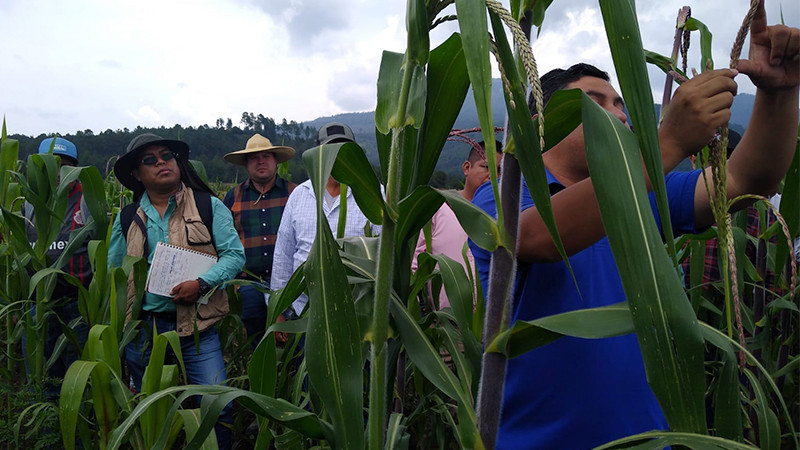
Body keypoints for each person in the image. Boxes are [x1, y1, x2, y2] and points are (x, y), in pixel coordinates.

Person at [469, 3, 799, 447]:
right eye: (596, 103)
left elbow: (745, 180)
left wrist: (778, 93)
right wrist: (670, 140)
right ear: (541, 124)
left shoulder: (643, 200)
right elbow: (540, 237)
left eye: (621, 105)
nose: (620, 115)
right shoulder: (503, 196)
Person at [108, 133, 245, 449]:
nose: (161, 163)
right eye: (150, 160)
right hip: (145, 331)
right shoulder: (128, 217)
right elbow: (116, 272)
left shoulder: (208, 206)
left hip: (198, 330)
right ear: (136, 174)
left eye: (167, 155)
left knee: (217, 404)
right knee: (150, 406)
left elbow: (235, 255)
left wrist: (202, 283)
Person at [271, 122, 381, 316]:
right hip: (304, 310)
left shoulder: (374, 193)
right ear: (319, 154)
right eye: (330, 149)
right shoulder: (300, 194)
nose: (337, 155)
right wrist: (278, 309)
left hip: (359, 311)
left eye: (345, 149)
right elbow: (283, 253)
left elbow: (385, 253)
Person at [22, 137, 92, 394]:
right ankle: (44, 430)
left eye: (64, 166)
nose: (57, 172)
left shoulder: (88, 199)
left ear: (75, 168)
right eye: (49, 165)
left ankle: (77, 429)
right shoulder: (27, 202)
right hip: (39, 304)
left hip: (77, 303)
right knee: (40, 376)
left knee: (77, 377)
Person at [222, 134, 296, 347]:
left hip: (289, 282)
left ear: (276, 162)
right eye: (254, 158)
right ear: (246, 164)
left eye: (266, 156)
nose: (261, 161)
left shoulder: (295, 193)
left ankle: (291, 377)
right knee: (256, 340)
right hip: (248, 283)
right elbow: (224, 240)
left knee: (292, 339)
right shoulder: (233, 196)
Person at [412, 139, 502, 309]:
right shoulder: (439, 208)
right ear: (467, 168)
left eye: (500, 170)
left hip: (490, 326)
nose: (493, 175)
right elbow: (415, 265)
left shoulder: (503, 216)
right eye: (486, 166)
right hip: (443, 325)